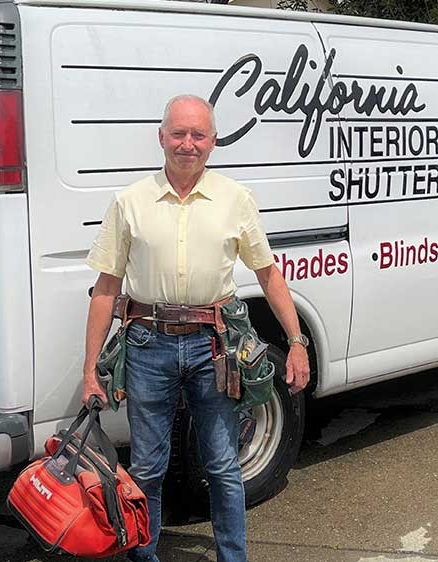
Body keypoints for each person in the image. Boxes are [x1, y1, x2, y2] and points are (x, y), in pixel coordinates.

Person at [82, 94, 310, 562]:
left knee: (224, 466)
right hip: (148, 345)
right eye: (179, 134)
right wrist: (89, 370)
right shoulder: (130, 202)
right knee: (146, 468)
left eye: (198, 135)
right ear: (161, 137)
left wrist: (296, 341)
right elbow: (106, 288)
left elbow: (269, 273)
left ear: (214, 141)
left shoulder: (235, 199)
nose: (188, 144)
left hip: (215, 347)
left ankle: (233, 557)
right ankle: (144, 557)